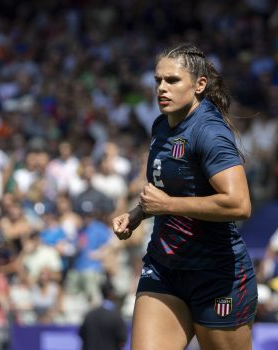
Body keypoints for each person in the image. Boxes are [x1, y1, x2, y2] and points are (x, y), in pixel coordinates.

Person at [112, 44, 257, 350]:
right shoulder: (162, 125)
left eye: (172, 80)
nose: (162, 88)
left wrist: (167, 205)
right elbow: (168, 189)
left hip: (216, 275)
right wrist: (138, 214)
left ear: (199, 85)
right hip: (165, 267)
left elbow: (239, 204)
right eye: (158, 81)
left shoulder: (209, 131)